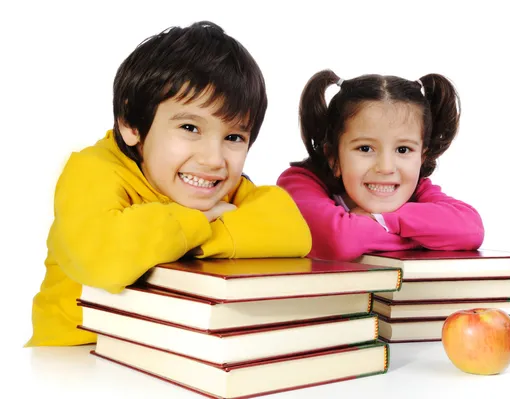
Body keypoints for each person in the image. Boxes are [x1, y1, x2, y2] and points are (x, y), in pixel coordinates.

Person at [26, 21, 311, 347]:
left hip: (164, 354)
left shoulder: (217, 184)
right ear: (130, 123)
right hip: (72, 358)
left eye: (233, 137)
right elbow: (104, 258)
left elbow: (292, 230)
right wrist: (200, 219)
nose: (213, 159)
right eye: (190, 128)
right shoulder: (92, 169)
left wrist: (197, 236)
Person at [277, 69, 483, 262]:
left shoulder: (417, 189)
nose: (385, 168)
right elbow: (340, 241)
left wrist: (383, 220)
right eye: (365, 148)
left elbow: (471, 229)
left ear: (422, 157)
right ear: (333, 157)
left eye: (403, 150)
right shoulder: (298, 184)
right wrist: (425, 238)